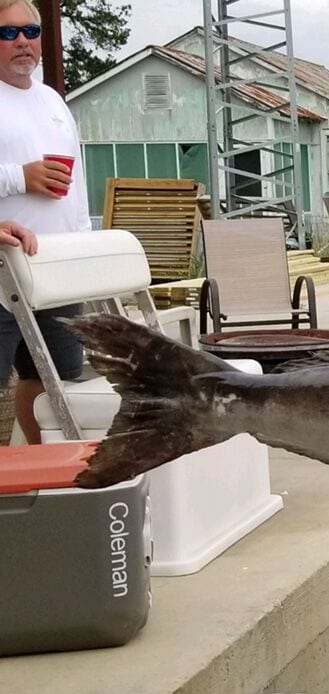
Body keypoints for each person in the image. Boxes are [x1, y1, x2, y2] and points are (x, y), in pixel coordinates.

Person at [0, 0, 93, 445]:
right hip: (3, 270)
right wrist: (21, 177)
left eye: (30, 32)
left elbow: (78, 182)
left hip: (56, 269)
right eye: (7, 33)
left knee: (51, 381)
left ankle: (39, 467)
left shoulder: (52, 100)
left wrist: (85, 246)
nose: (22, 41)